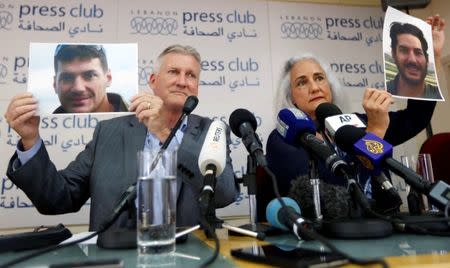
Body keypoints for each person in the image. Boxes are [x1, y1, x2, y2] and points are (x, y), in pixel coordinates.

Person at [4, 44, 239, 230]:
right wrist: (30, 140)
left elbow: (225, 194)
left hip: (188, 254)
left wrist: (164, 133)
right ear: (153, 81)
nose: (182, 81)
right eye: (173, 72)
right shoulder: (109, 131)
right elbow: (58, 198)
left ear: (196, 87)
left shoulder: (213, 131)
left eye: (191, 76)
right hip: (114, 255)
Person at [267, 15, 445, 214]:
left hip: (385, 229)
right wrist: (375, 132)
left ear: (331, 87)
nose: (315, 87)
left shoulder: (357, 122)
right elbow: (326, 197)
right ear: (291, 97)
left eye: (319, 78)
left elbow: (416, 117)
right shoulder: (283, 138)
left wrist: (431, 59)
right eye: (302, 82)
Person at [52, 44, 128, 113]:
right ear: (55, 84)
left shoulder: (138, 122)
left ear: (108, 79)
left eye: (90, 76)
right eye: (67, 78)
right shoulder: (41, 127)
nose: (78, 88)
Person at [386, 18, 444, 99]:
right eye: (404, 51)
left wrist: (436, 55)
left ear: (426, 59)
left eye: (418, 52)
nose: (412, 60)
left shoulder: (436, 94)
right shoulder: (383, 92)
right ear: (394, 54)